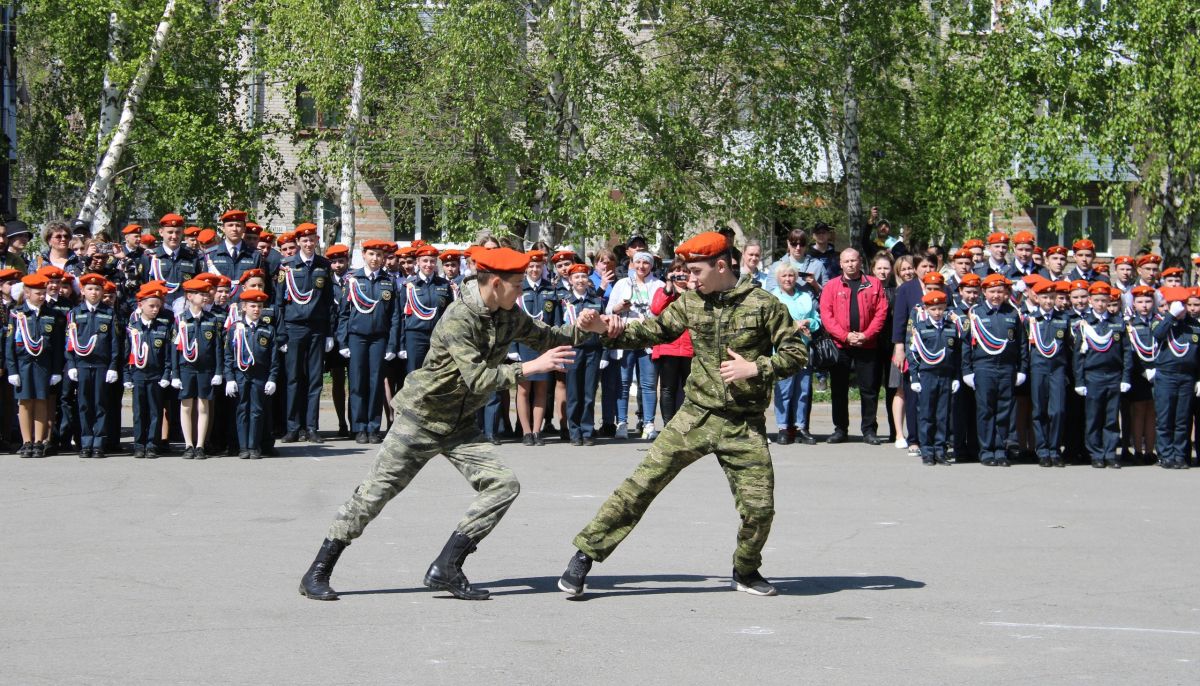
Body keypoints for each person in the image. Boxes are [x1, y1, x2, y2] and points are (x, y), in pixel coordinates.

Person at [298, 246, 603, 602]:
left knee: (503, 485)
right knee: (373, 496)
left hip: (459, 424)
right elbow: (477, 378)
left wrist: (584, 329)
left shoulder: (508, 313)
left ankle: (447, 565)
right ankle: (317, 571)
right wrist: (531, 368)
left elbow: (548, 337)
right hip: (421, 418)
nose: (521, 291)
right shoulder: (460, 317)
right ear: (494, 283)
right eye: (517, 284)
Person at [558, 231, 807, 598]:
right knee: (640, 485)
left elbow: (797, 353)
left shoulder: (763, 304)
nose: (690, 280)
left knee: (760, 508)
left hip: (742, 424)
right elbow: (653, 330)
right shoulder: (691, 302)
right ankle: (584, 556)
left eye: (696, 272)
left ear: (721, 266)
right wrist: (603, 329)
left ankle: (745, 568)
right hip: (696, 415)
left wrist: (757, 368)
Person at [337, 239, 402, 444]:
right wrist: (343, 342)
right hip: (357, 337)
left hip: (379, 338)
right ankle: (358, 427)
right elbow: (344, 315)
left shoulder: (388, 281)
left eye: (379, 255)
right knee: (357, 382)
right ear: (364, 255)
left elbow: (394, 316)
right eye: (371, 254)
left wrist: (392, 345)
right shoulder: (353, 280)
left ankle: (373, 427)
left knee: (375, 383)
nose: (375, 259)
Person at [820, 248, 888, 445]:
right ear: (840, 264)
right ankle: (840, 429)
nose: (850, 264)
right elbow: (827, 315)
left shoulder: (873, 284)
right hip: (841, 346)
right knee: (839, 390)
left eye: (853, 260)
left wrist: (866, 335)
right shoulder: (831, 286)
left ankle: (869, 430)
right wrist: (845, 336)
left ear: (860, 262)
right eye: (846, 261)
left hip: (868, 345)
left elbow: (881, 313)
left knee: (869, 390)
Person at [276, 223, 335, 443]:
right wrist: (281, 334)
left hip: (317, 328)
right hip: (294, 327)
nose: (309, 244)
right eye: (305, 240)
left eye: (312, 240)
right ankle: (293, 427)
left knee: (314, 380)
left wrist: (329, 333)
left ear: (317, 240)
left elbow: (329, 302)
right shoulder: (287, 266)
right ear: (298, 242)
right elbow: (279, 303)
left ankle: (311, 427)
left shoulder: (323, 265)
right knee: (292, 379)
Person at [962, 274, 1028, 467]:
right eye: (992, 291)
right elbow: (967, 344)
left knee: (1004, 411)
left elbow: (1022, 344)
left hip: (1007, 368)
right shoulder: (976, 313)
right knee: (985, 410)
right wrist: (967, 370)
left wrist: (1022, 369)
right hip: (984, 367)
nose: (996, 295)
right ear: (984, 292)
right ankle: (986, 450)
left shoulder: (1012, 313)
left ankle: (1000, 449)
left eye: (1000, 291)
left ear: (1006, 292)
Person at [606, 250, 664, 439]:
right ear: (632, 263)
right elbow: (608, 309)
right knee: (622, 383)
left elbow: (663, 313)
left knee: (648, 384)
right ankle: (621, 422)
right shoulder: (623, 284)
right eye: (638, 262)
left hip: (648, 339)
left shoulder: (658, 285)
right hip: (625, 338)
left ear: (651, 265)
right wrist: (619, 308)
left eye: (645, 263)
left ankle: (648, 424)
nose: (641, 266)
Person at [1072, 282, 1130, 467]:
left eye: (1104, 300)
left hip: (1114, 374)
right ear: (1090, 301)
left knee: (1112, 418)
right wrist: (1079, 381)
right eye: (1096, 300)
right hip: (1093, 376)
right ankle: (1096, 454)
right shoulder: (1085, 324)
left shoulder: (1118, 323)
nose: (1100, 304)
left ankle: (1110, 453)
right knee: (1094, 417)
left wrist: (1126, 378)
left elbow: (1127, 352)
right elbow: (1078, 356)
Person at [6, 274, 65, 458]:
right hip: (23, 364)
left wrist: (56, 370)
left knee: (41, 400)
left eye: (43, 292)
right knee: (24, 403)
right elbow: (9, 345)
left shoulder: (52, 315)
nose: (41, 296)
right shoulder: (17, 314)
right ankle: (26, 442)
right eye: (37, 293)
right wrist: (12, 370)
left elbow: (57, 345)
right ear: (27, 293)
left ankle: (39, 441)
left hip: (44, 365)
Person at [65, 273, 121, 459]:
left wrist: (113, 366)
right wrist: (71, 364)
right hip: (81, 365)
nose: (94, 292)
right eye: (90, 289)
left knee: (100, 404)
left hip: (101, 365)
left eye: (98, 289)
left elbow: (115, 342)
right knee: (83, 405)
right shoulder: (74, 313)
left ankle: (99, 442)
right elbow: (70, 341)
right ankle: (85, 441)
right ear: (82, 291)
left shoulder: (109, 313)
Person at [224, 289, 283, 459]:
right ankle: (242, 447)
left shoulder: (268, 329)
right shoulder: (235, 328)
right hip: (240, 375)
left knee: (257, 410)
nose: (256, 309)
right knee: (241, 410)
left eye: (259, 306)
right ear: (244, 307)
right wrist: (229, 378)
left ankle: (253, 445)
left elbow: (274, 359)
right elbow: (228, 355)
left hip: (260, 375)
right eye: (252, 306)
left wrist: (272, 379)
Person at [171, 278, 225, 460]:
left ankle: (200, 444)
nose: (205, 297)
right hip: (186, 369)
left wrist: (218, 371)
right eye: (201, 294)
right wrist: (175, 373)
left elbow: (218, 347)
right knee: (186, 406)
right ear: (189, 296)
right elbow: (174, 349)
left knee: (203, 406)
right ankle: (188, 444)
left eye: (206, 294)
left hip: (206, 369)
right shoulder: (180, 320)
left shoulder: (212, 319)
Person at [769, 260, 820, 445]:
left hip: (804, 349)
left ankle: (801, 427)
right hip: (782, 350)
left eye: (791, 275)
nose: (788, 279)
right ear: (778, 278)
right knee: (784, 390)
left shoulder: (805, 296)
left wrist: (809, 323)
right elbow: (769, 324)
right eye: (784, 276)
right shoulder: (773, 298)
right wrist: (792, 326)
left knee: (803, 390)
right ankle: (783, 428)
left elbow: (816, 320)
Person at [906, 290, 960, 465]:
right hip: (927, 375)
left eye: (940, 308)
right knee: (927, 414)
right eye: (933, 309)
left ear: (945, 308)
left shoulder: (952, 328)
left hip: (945, 375)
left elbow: (957, 356)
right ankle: (927, 450)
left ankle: (940, 449)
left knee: (943, 415)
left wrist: (956, 377)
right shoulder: (920, 328)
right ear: (926, 309)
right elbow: (913, 355)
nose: (937, 312)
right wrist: (914, 378)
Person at [511, 250, 559, 446]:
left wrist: (555, 348)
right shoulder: (518, 289)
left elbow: (555, 322)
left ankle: (537, 431)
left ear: (543, 267)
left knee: (541, 389)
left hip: (544, 346)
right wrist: (512, 347)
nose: (534, 269)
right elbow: (511, 321)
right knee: (523, 390)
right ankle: (526, 431)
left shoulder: (550, 289)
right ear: (525, 268)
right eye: (531, 266)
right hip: (523, 345)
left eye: (538, 266)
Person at [1151, 287, 1199, 469]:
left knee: (1182, 419)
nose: (1181, 308)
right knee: (1165, 418)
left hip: (1187, 376)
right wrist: (1171, 316)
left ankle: (1180, 455)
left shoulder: (1194, 325)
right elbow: (1157, 335)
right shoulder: (1161, 322)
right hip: (1166, 375)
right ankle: (1165, 455)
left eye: (1183, 305)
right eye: (1175, 304)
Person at [1026, 280, 1073, 467]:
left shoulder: (1064, 318)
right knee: (1039, 411)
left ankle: (1054, 449)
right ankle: (1043, 450)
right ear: (1036, 298)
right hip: (1038, 368)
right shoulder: (1030, 319)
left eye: (1052, 297)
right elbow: (1025, 347)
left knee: (1058, 410)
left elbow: (1069, 347)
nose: (1048, 301)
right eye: (1045, 297)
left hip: (1058, 369)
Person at [125, 284, 174, 459]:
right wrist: (126, 375)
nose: (155, 309)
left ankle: (152, 444)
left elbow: (168, 355)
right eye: (151, 306)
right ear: (141, 305)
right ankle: (139, 444)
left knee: (155, 411)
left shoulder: (162, 328)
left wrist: (167, 374)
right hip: (138, 375)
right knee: (139, 412)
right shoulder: (132, 328)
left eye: (157, 306)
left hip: (156, 375)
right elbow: (126, 353)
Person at [561, 263, 604, 445]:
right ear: (570, 280)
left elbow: (604, 328)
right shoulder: (564, 301)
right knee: (573, 394)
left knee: (588, 394)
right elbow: (557, 327)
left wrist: (606, 354)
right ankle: (574, 432)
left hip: (593, 351)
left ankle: (587, 431)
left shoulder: (597, 301)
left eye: (584, 277)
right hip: (573, 351)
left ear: (588, 280)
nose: (581, 280)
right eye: (577, 277)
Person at [651, 259, 695, 429]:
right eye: (676, 271)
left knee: (688, 389)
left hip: (690, 347)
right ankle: (668, 425)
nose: (680, 275)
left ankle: (686, 424)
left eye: (684, 271)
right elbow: (656, 309)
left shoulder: (695, 291)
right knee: (668, 388)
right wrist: (668, 285)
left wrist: (692, 288)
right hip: (669, 347)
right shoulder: (664, 290)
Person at [399, 244, 454, 372]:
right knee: (415, 373)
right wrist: (401, 345)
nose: (428, 264)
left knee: (436, 374)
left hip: (437, 336)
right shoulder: (408, 285)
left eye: (432, 261)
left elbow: (450, 314)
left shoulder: (444, 285)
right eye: (425, 260)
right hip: (414, 335)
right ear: (417, 262)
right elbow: (400, 317)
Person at [1125, 285, 1158, 464]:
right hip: (1138, 373)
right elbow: (1130, 351)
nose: (1144, 305)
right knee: (1138, 411)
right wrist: (1142, 370)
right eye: (1140, 302)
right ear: (1133, 303)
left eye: (1148, 301)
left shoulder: (1159, 321)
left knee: (1152, 412)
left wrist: (1156, 369)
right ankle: (1137, 449)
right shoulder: (1129, 324)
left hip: (1157, 372)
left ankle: (1150, 451)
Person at [325, 244, 351, 437]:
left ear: (347, 261)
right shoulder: (326, 282)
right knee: (338, 381)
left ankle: (354, 422)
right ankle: (342, 422)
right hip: (333, 337)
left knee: (356, 383)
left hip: (353, 337)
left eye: (341, 261)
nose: (337, 265)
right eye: (334, 262)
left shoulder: (354, 280)